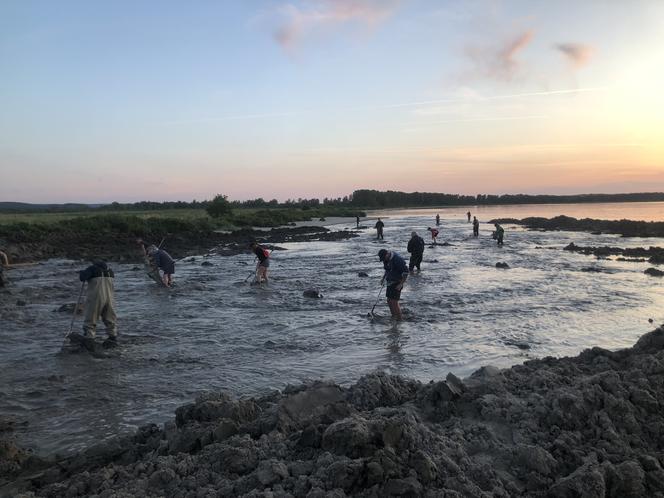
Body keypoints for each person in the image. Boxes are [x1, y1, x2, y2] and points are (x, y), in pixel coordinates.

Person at [78, 260, 117, 347]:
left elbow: (82, 277)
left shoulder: (92, 269)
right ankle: (112, 337)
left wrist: (82, 272)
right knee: (110, 317)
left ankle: (89, 339)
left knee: (91, 317)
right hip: (109, 297)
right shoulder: (110, 272)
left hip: (96, 297)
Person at [378, 249, 408, 320]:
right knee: (389, 300)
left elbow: (406, 272)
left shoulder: (397, 260)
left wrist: (401, 284)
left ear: (387, 254)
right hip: (390, 281)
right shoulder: (386, 259)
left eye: (384, 258)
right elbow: (387, 270)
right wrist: (383, 279)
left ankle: (399, 319)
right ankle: (394, 316)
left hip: (398, 281)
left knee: (394, 301)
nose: (383, 260)